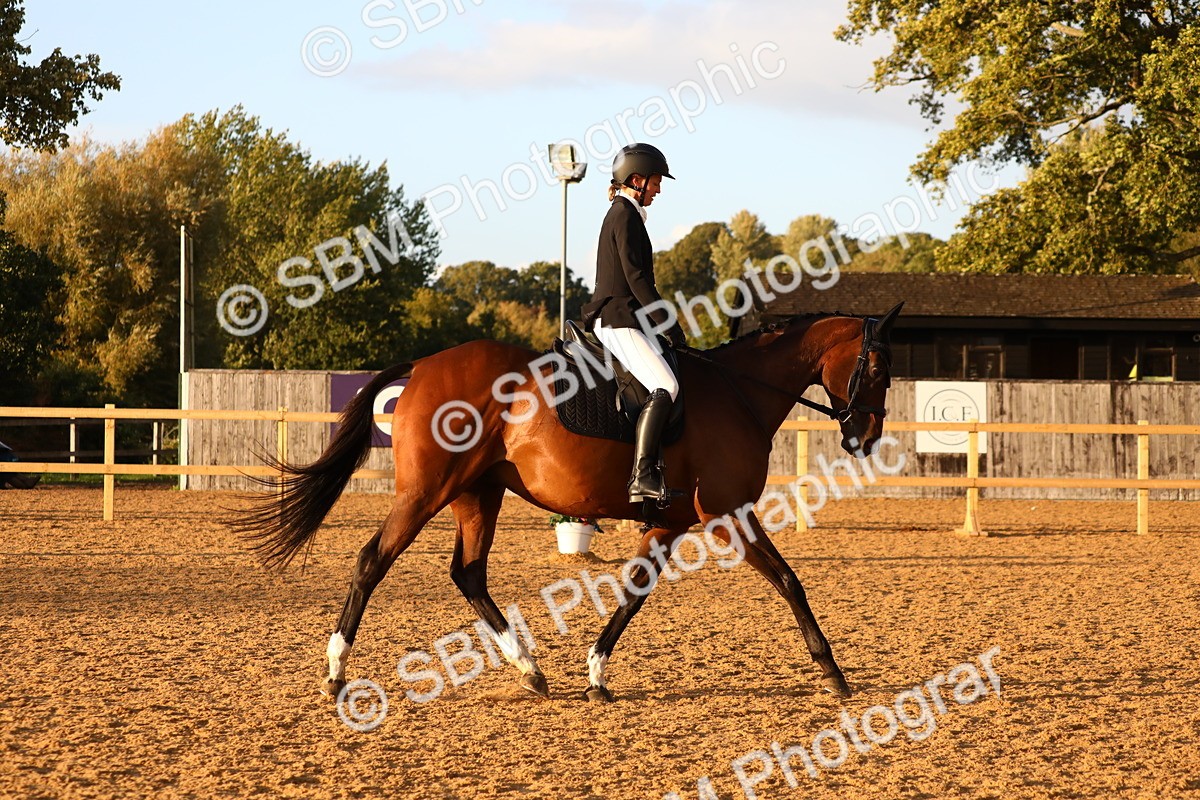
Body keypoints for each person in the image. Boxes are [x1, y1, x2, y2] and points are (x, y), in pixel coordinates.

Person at [580, 143, 686, 509]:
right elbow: (637, 278)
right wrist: (667, 322)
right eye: (656, 182)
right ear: (637, 180)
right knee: (666, 385)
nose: (659, 190)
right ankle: (642, 475)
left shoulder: (628, 213)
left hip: (629, 319)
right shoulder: (623, 214)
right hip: (618, 320)